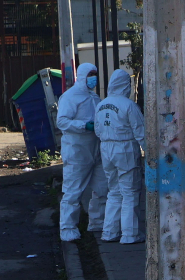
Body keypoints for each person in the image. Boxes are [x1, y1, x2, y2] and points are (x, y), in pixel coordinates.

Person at [56, 63, 108, 242]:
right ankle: (67, 228)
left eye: (95, 73)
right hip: (77, 151)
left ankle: (97, 222)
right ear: (83, 75)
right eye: (90, 74)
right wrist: (83, 125)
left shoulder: (94, 98)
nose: (93, 78)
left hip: (95, 150)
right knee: (72, 192)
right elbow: (62, 122)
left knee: (102, 188)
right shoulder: (70, 97)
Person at [94, 69, 146, 244]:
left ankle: (109, 232)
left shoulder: (101, 105)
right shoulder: (129, 105)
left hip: (106, 148)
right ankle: (130, 234)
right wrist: (151, 153)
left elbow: (97, 130)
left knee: (114, 191)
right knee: (130, 191)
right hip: (125, 148)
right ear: (126, 85)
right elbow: (141, 132)